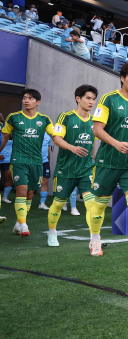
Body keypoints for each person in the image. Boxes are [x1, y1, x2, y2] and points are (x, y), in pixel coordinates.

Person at [88, 64, 128, 260]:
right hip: (108, 161)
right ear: (122, 78)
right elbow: (97, 129)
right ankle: (95, 239)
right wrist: (116, 144)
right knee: (99, 205)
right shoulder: (109, 99)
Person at [46, 85, 98, 247]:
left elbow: (93, 143)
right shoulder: (66, 117)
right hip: (66, 169)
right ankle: (52, 233)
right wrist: (72, 147)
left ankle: (94, 239)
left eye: (93, 99)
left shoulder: (94, 120)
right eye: (88, 98)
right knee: (59, 203)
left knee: (91, 204)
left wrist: (93, 158)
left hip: (86, 169)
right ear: (78, 99)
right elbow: (56, 138)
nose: (91, 102)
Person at [0, 89, 55, 237]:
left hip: (37, 162)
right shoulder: (14, 117)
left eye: (30, 98)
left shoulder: (44, 119)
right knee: (22, 192)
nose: (26, 101)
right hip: (19, 161)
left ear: (38, 102)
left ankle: (19, 222)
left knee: (30, 194)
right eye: (24, 98)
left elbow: (54, 134)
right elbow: (5, 137)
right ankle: (24, 225)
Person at [37, 131, 52, 210]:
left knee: (45, 181)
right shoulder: (34, 131)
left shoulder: (48, 135)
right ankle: (25, 201)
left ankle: (42, 203)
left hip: (44, 161)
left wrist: (48, 161)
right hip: (33, 161)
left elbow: (48, 148)